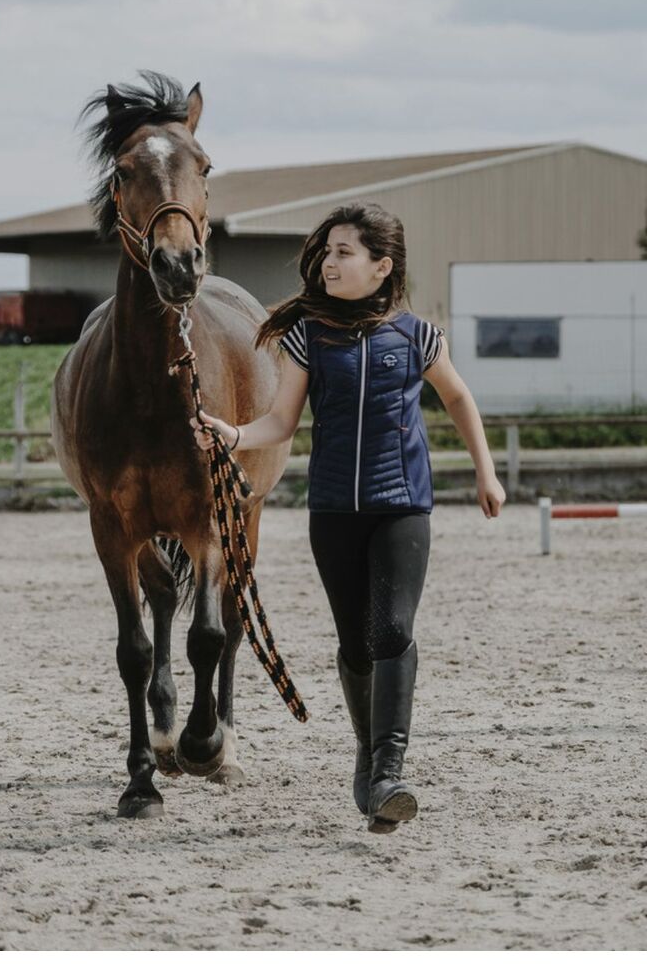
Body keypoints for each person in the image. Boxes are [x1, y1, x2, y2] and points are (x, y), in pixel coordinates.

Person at [189, 202, 505, 834]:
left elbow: (459, 396)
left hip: (402, 508)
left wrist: (486, 470)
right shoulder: (309, 336)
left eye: (344, 253)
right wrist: (232, 434)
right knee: (355, 644)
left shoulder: (417, 336)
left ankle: (389, 769)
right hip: (333, 511)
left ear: (381, 267)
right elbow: (281, 421)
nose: (329, 262)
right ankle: (368, 755)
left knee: (392, 630)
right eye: (328, 252)